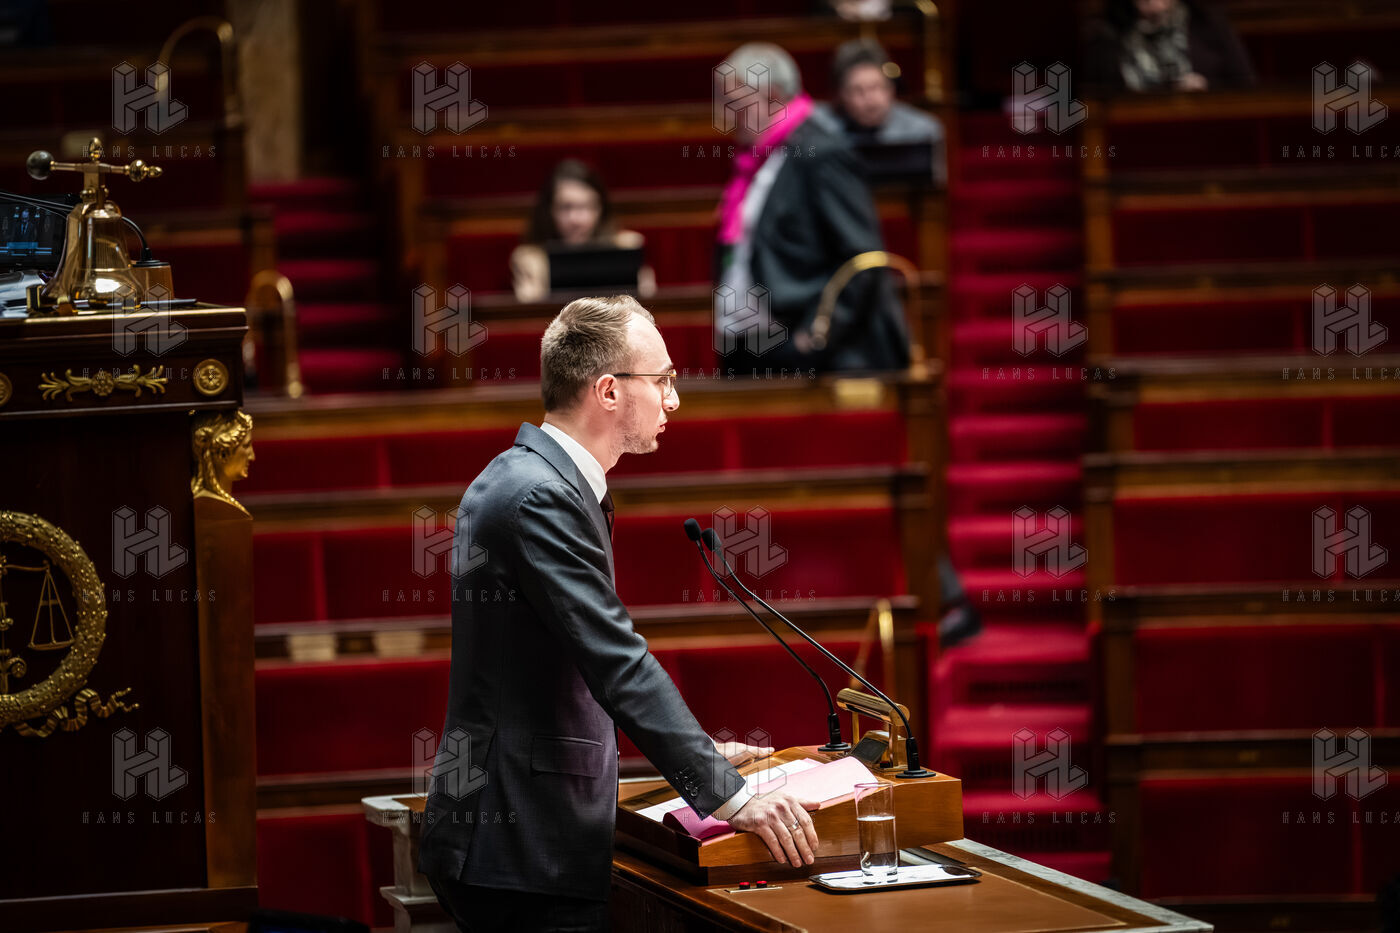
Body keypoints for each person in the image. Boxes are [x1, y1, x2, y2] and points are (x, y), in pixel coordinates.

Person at [418, 294, 822, 932]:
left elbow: (560, 675)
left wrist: (701, 751)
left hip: (521, 834)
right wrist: (729, 794)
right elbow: (617, 663)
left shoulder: (541, 481)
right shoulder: (538, 496)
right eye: (662, 380)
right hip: (519, 847)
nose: (673, 400)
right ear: (608, 391)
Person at [714, 42, 910, 373]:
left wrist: (817, 335)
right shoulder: (759, 159)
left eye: (735, 104)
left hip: (803, 353)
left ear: (772, 96)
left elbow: (863, 258)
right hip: (752, 346)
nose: (726, 117)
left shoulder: (821, 153)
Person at [510, 160, 656, 302]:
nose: (576, 220)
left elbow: (647, 302)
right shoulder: (530, 258)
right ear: (549, 211)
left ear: (601, 209)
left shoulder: (626, 247)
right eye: (565, 207)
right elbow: (532, 312)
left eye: (586, 206)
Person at [811, 39, 946, 184]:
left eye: (876, 87)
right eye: (858, 90)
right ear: (840, 96)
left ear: (891, 89)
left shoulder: (922, 131)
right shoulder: (817, 127)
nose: (870, 100)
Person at [1083, 0, 1255, 93]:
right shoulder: (1105, 34)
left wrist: (1207, 88)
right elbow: (1090, 102)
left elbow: (1246, 88)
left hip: (1204, 130)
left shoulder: (1209, 23)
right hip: (1132, 135)